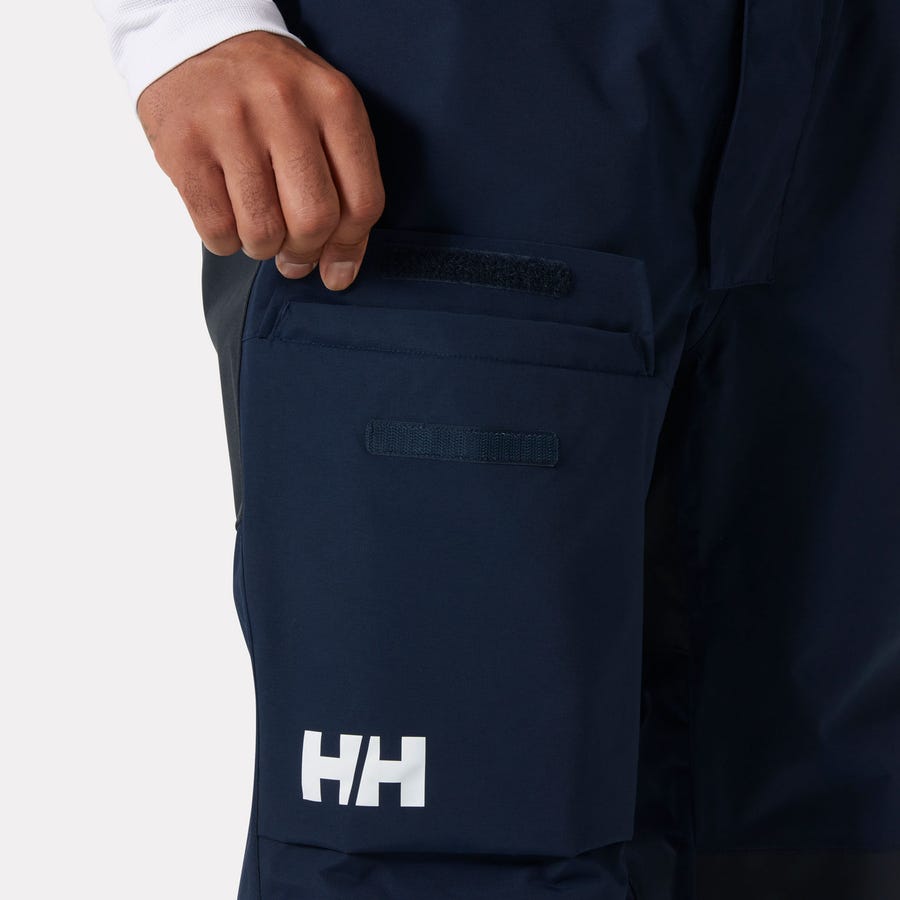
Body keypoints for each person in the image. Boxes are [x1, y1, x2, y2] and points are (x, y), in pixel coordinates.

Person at [94, 2, 900, 898]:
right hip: (451, 87)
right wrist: (181, 24)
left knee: (823, 817)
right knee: (446, 841)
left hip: (855, 97)